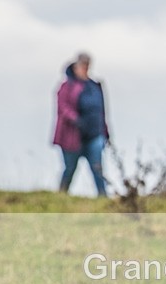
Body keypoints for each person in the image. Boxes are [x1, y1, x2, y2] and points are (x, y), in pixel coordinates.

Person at [52, 52, 110, 197]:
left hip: (94, 134)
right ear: (76, 66)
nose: (85, 68)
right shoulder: (67, 86)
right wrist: (76, 120)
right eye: (83, 65)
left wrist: (106, 132)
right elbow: (63, 108)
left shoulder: (94, 86)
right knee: (70, 168)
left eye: (87, 65)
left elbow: (102, 111)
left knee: (97, 168)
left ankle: (103, 197)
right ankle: (62, 195)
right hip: (72, 136)